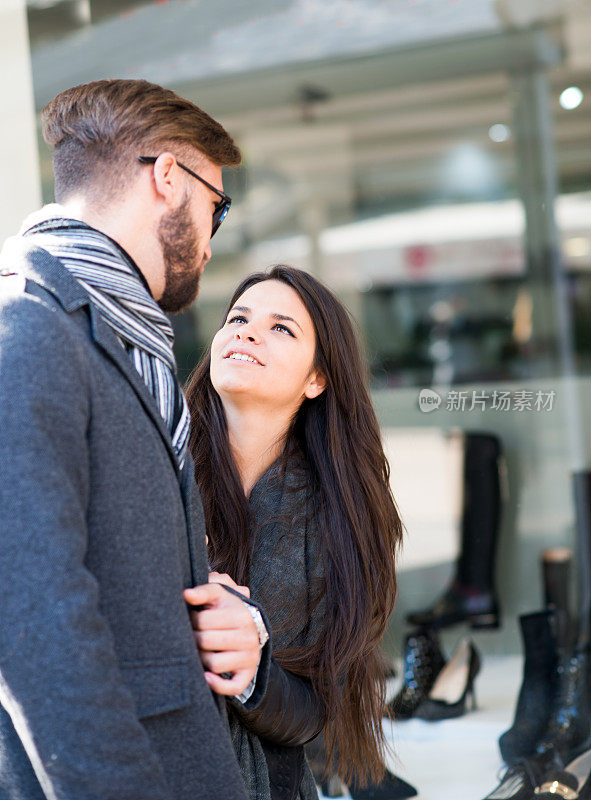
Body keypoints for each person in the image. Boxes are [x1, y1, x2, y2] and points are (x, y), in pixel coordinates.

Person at [0, 79, 270, 800]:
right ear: (167, 177)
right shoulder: (27, 323)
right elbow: (32, 613)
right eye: (218, 204)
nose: (215, 235)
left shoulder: (118, 327)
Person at [185, 265, 403, 800]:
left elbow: (314, 714)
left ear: (316, 380)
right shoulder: (152, 463)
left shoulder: (339, 513)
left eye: (282, 328)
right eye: (237, 317)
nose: (247, 331)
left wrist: (252, 669)